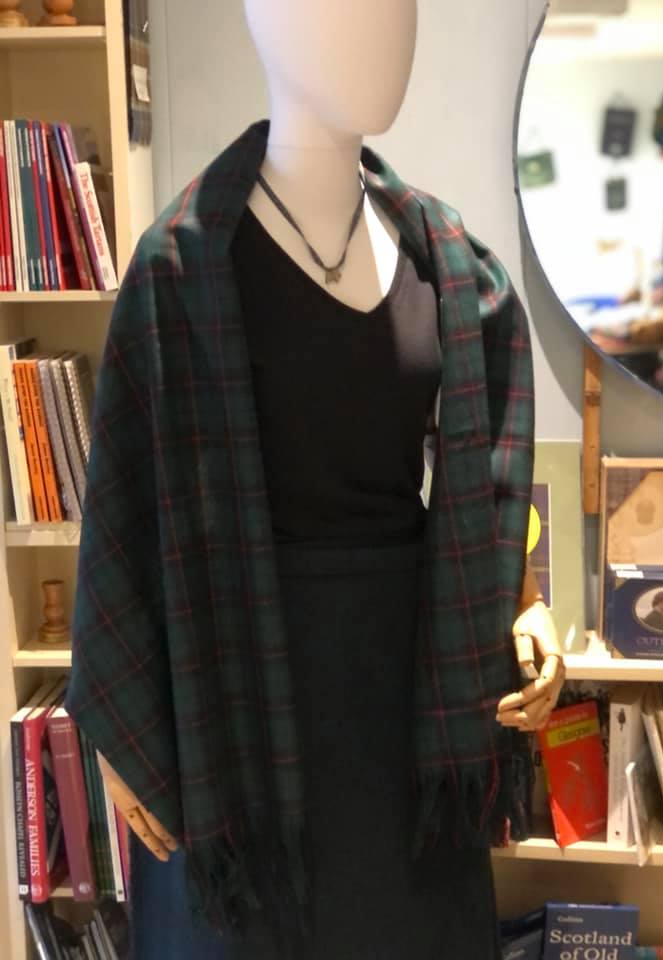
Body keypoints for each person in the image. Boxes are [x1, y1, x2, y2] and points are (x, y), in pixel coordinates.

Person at [64, 2, 566, 958]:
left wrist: (522, 597)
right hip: (235, 703)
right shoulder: (180, 267)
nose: (388, 28)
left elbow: (477, 483)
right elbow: (123, 511)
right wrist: (119, 717)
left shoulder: (448, 264)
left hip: (405, 712)